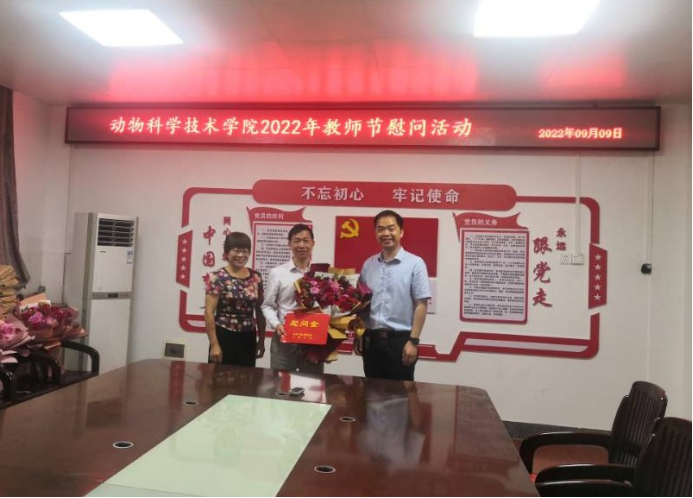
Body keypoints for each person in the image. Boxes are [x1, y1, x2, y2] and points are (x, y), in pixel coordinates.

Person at [354, 210, 431, 381]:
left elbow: (421, 304)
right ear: (376, 233)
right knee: (371, 391)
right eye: (381, 229)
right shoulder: (369, 264)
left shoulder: (415, 264)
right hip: (371, 340)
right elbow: (362, 302)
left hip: (401, 342)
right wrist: (358, 333)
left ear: (401, 232)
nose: (386, 233)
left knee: (400, 394)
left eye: (391, 228)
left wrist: (414, 341)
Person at [261, 224, 324, 374]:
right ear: (289, 244)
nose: (301, 245)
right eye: (296, 241)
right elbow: (267, 305)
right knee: (280, 383)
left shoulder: (321, 274)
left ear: (313, 243)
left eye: (305, 241)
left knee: (312, 384)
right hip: (284, 339)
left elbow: (328, 305)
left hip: (312, 341)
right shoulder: (277, 273)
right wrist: (276, 324)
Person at [204, 232, 266, 366]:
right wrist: (214, 344)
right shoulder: (217, 277)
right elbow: (209, 312)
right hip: (223, 335)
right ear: (226, 253)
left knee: (247, 377)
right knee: (219, 377)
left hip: (248, 337)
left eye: (245, 251)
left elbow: (260, 311)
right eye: (236, 250)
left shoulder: (256, 277)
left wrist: (261, 340)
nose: (241, 255)